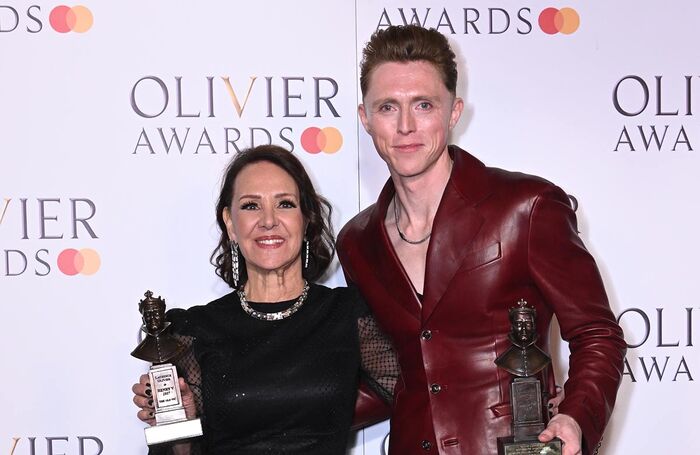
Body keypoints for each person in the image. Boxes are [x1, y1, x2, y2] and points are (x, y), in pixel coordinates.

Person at [337, 25, 626, 455]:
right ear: (365, 118)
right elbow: (386, 375)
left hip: (517, 446)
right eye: (387, 107)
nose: (405, 126)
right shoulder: (358, 242)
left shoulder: (526, 208)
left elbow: (598, 332)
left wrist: (576, 416)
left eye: (423, 104)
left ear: (454, 112)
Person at [132, 145, 398, 454]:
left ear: (306, 218)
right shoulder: (190, 332)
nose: (268, 220)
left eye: (284, 204)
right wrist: (183, 427)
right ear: (230, 223)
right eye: (250, 206)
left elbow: (427, 395)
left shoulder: (348, 314)